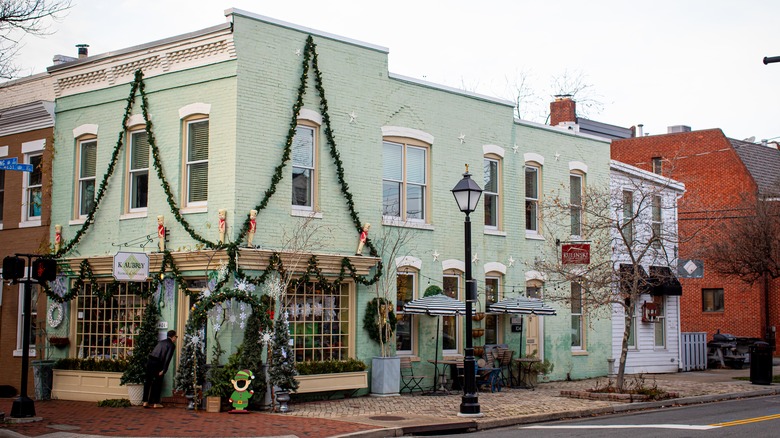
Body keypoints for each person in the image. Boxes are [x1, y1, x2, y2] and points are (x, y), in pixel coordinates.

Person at [143, 330, 177, 408]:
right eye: (176, 337)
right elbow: (167, 358)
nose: (176, 339)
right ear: (173, 337)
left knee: (148, 382)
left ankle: (145, 401)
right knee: (157, 383)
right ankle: (155, 402)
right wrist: (164, 370)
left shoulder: (161, 342)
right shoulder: (171, 345)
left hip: (150, 361)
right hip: (158, 363)